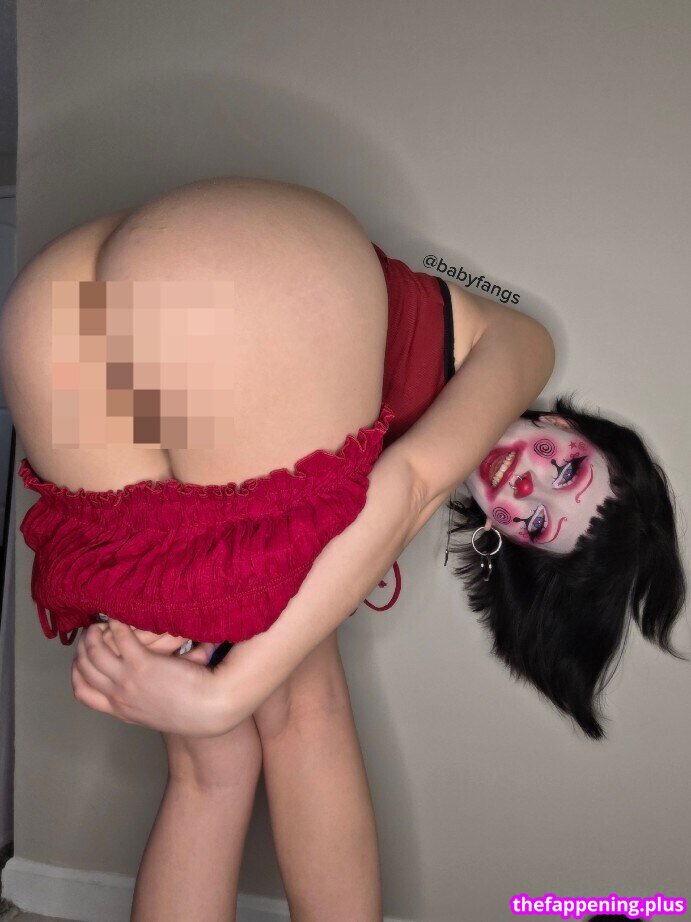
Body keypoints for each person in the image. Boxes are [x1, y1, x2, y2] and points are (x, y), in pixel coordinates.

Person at [0, 174, 594, 920]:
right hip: (228, 272)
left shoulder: (397, 467)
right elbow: (408, 481)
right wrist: (225, 695)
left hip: (61, 305)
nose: (529, 487)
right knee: (296, 701)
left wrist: (214, 700)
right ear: (573, 430)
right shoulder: (526, 344)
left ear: (503, 537)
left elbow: (404, 494)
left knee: (212, 758)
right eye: (569, 472)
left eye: (535, 522)